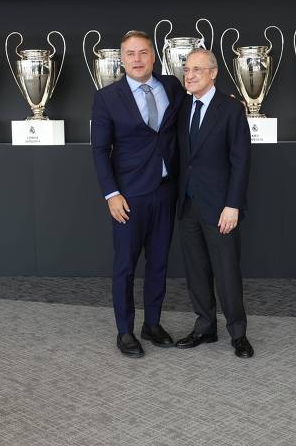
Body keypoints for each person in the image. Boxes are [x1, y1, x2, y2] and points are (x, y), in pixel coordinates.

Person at [91, 30, 185, 358]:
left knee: (158, 263)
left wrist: (228, 100)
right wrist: (111, 194)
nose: (137, 59)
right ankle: (125, 331)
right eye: (130, 53)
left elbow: (200, 96)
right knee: (125, 266)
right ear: (122, 59)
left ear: (153, 56)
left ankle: (152, 323)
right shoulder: (106, 98)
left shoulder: (171, 86)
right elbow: (100, 151)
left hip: (165, 191)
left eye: (143, 52)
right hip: (128, 196)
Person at [174, 48, 254, 358]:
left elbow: (241, 161)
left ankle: (238, 333)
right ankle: (205, 327)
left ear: (214, 73)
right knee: (196, 270)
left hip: (221, 207)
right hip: (187, 204)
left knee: (226, 271)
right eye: (187, 69)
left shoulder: (231, 110)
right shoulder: (182, 107)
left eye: (197, 69)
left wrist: (233, 205)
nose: (190, 74)